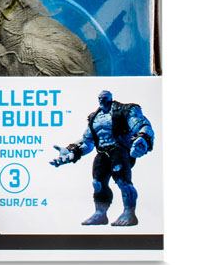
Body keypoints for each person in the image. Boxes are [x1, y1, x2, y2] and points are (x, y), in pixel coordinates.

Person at [50, 89, 154, 226]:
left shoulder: (125, 110)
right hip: (102, 153)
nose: (101, 100)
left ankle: (129, 212)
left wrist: (143, 138)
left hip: (118, 151)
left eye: (104, 97)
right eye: (99, 97)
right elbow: (88, 142)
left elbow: (142, 125)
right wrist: (73, 152)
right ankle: (100, 213)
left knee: (123, 182)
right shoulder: (94, 117)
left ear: (110, 98)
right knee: (97, 183)